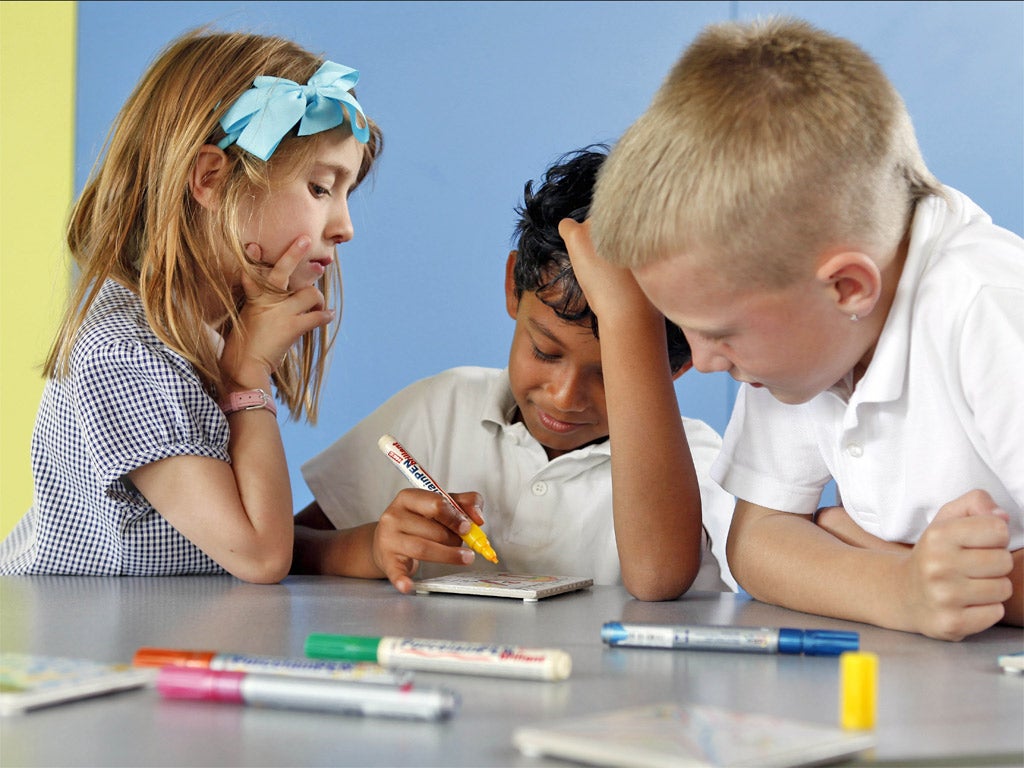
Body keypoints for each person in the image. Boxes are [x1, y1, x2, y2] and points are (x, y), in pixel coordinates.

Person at [582, 16, 1023, 639]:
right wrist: (898, 585)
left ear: (847, 288)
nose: (704, 360)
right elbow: (758, 544)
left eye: (721, 332)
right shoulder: (804, 347)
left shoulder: (990, 307)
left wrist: (875, 556)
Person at [0, 28, 383, 582]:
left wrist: (361, 547)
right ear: (210, 178)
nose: (344, 228)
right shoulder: (122, 354)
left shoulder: (208, 333)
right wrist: (248, 376)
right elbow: (258, 553)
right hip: (68, 648)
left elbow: (213, 538)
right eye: (321, 189)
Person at [293, 145, 737, 599]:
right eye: (545, 351)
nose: (565, 397)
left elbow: (659, 578)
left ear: (677, 367)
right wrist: (368, 548)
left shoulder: (705, 462)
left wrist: (629, 319)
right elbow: (287, 544)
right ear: (512, 286)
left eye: (610, 374)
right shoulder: (440, 408)